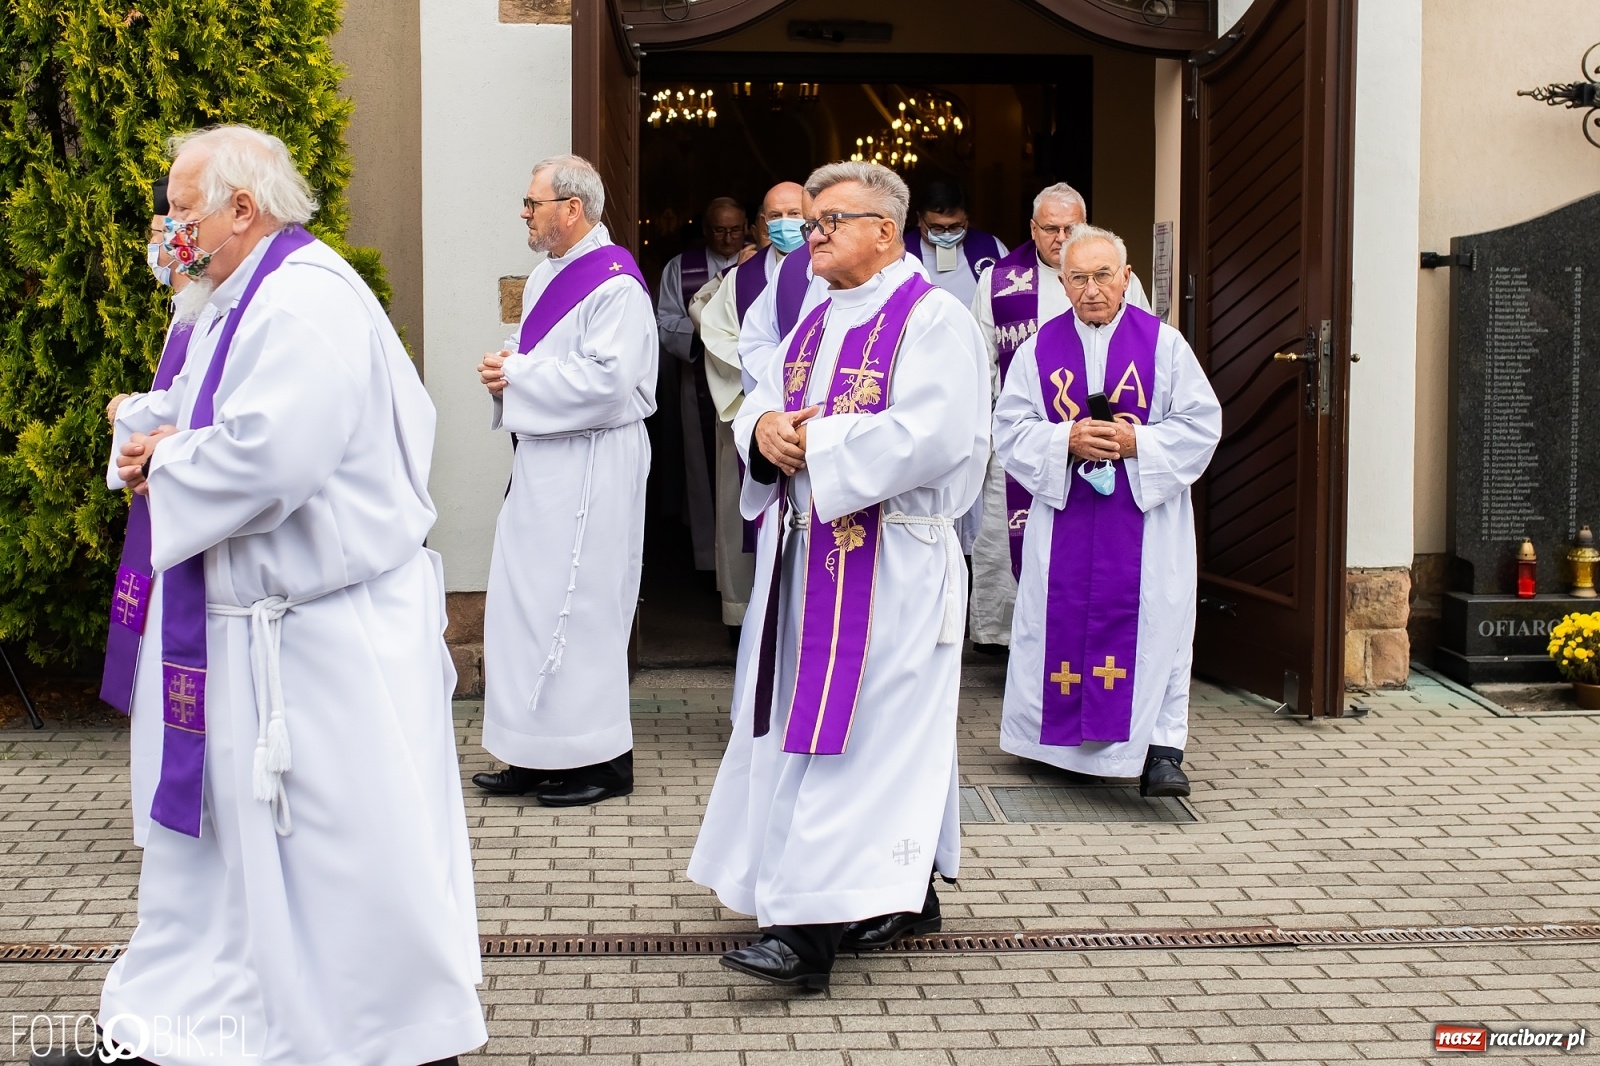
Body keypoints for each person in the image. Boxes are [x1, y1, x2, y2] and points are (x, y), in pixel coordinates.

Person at [92, 124, 485, 1066]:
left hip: (316, 637)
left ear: (242, 207)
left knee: (334, 851)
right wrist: (145, 432)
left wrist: (163, 457)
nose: (167, 232)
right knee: (221, 859)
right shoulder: (224, 300)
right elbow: (197, 419)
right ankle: (196, 1024)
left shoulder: (304, 301)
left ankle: (374, 1031)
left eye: (183, 213)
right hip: (241, 629)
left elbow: (276, 456)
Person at [688, 161, 989, 990]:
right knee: (856, 729)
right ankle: (905, 887)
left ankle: (807, 932)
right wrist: (768, 431)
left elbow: (936, 434)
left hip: (892, 559)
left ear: (885, 231)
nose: (808, 236)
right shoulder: (820, 309)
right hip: (809, 555)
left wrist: (815, 446)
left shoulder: (934, 319)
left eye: (828, 222)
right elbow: (763, 392)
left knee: (860, 738)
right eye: (809, 223)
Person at [992, 225, 1220, 799]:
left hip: (1146, 520)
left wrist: (1137, 444)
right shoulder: (1037, 349)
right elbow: (1008, 429)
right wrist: (1063, 440)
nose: (1092, 289)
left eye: (1103, 276)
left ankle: (1159, 750)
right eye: (1078, 278)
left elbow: (1201, 425)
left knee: (1156, 625)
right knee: (1055, 620)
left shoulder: (1165, 345)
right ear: (1062, 282)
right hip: (1067, 515)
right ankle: (1056, 747)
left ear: (1126, 277)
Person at [473, 155, 655, 807]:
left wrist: (516, 376)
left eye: (532, 202)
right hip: (546, 461)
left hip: (592, 462)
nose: (524, 213)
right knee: (526, 604)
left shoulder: (615, 285)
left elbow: (609, 383)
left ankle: (601, 760)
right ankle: (533, 751)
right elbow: (547, 361)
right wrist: (509, 367)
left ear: (570, 209)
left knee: (580, 607)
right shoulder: (551, 272)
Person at [968, 182, 1151, 651]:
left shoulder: (1115, 278)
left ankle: (1085, 633)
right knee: (1008, 537)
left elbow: (1144, 353)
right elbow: (979, 361)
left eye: (1071, 227)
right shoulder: (998, 281)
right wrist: (994, 430)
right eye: (1051, 228)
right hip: (1027, 440)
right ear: (1033, 229)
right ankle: (1008, 637)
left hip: (1103, 440)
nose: (1061, 237)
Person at [99, 176, 190, 851]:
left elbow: (192, 410)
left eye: (171, 223)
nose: (159, 239)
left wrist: (128, 413)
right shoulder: (188, 309)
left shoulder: (211, 311)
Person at [697, 181, 806, 629]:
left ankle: (800, 610)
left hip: (811, 417)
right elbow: (715, 332)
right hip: (752, 410)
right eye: (775, 217)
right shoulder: (742, 277)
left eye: (794, 215)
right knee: (741, 515)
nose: (785, 226)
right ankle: (744, 613)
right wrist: (763, 384)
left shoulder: (833, 269)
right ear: (761, 223)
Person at [657, 197, 748, 571]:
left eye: (735, 230)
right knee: (702, 467)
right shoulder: (681, 268)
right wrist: (705, 337)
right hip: (698, 380)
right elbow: (663, 321)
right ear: (705, 229)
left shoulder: (762, 265)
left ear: (748, 227)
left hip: (748, 383)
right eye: (719, 230)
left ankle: (746, 565)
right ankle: (709, 561)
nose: (727, 238)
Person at [902, 178, 1005, 307]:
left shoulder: (991, 247)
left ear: (966, 219)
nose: (947, 234)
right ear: (920, 219)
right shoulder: (900, 253)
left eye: (955, 227)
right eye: (937, 228)